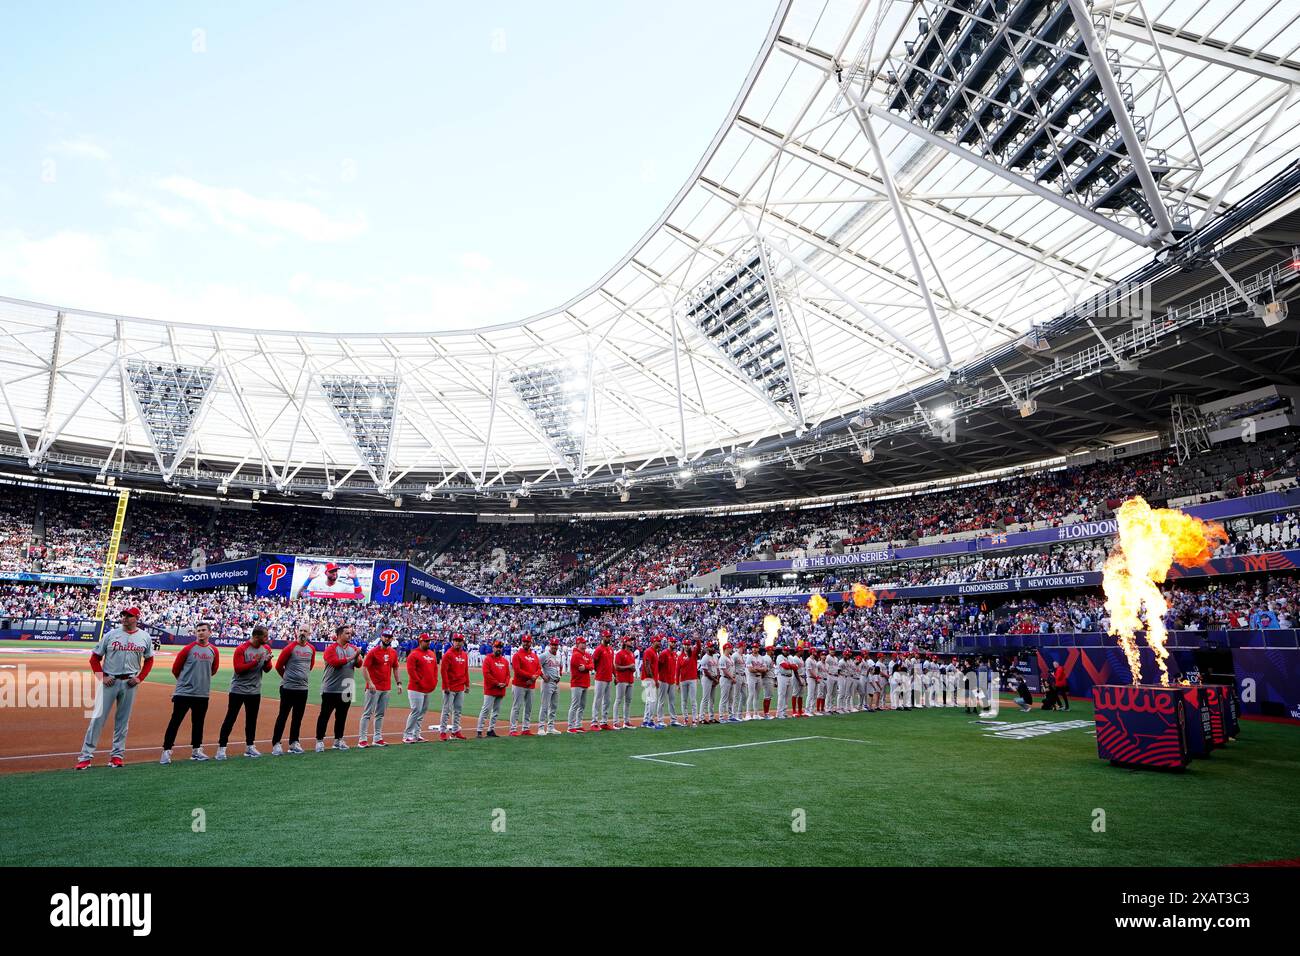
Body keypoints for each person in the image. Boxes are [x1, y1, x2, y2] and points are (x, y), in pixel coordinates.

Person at [77, 607, 156, 769]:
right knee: (97, 719)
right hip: (110, 681)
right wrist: (102, 677)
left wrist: (139, 678)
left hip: (129, 684)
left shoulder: (144, 637)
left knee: (122, 721)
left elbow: (149, 660)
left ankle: (117, 756)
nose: (125, 618)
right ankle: (85, 756)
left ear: (136, 618)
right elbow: (94, 659)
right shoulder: (111, 635)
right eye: (124, 615)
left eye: (129, 616)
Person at [161, 619, 219, 764]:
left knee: (198, 723)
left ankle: (196, 750)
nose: (200, 633)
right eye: (198, 630)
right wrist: (185, 683)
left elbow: (213, 670)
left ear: (209, 632)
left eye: (203, 630)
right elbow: (176, 669)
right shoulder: (188, 649)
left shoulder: (214, 650)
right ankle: (166, 751)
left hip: (202, 693)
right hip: (184, 693)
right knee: (175, 722)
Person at [217, 625, 273, 759]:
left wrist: (267, 662)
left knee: (251, 720)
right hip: (238, 690)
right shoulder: (242, 649)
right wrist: (256, 661)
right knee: (230, 718)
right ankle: (221, 748)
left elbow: (267, 669)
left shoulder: (266, 649)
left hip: (254, 690)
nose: (267, 638)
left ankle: (250, 746)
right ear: (256, 636)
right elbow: (238, 669)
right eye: (265, 636)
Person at [316, 624, 362, 751]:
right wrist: (354, 655)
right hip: (331, 687)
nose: (350, 635)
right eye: (347, 633)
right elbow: (336, 663)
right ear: (340, 634)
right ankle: (319, 740)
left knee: (342, 716)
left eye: (350, 633)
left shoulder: (353, 648)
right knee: (325, 715)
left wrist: (358, 656)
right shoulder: (331, 649)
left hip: (347, 686)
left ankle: (338, 739)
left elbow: (359, 665)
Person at [272, 625, 316, 755]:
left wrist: (302, 677)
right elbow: (279, 665)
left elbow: (310, 665)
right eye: (301, 630)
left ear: (309, 634)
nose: (302, 633)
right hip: (288, 688)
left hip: (303, 688)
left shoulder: (311, 649)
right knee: (283, 716)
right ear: (297, 632)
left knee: (298, 717)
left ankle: (294, 742)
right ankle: (276, 743)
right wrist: (287, 678)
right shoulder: (290, 648)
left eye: (305, 631)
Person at [359, 629, 402, 747]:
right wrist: (370, 683)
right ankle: (362, 739)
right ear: (381, 637)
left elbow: (396, 668)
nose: (387, 638)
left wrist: (398, 683)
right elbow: (364, 668)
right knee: (367, 713)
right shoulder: (373, 652)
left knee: (380, 714)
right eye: (385, 636)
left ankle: (377, 738)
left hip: (386, 687)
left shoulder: (393, 652)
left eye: (389, 637)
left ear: (392, 638)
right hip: (373, 688)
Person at [402, 632, 437, 743]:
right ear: (420, 641)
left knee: (422, 711)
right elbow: (411, 671)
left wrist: (434, 680)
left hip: (427, 688)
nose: (428, 643)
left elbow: (435, 669)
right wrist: (419, 682)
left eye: (429, 641)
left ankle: (416, 734)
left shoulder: (431, 653)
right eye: (426, 641)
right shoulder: (414, 654)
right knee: (416, 710)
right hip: (415, 688)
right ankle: (407, 735)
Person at [509, 634, 542, 736]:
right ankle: (513, 729)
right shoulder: (517, 655)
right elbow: (517, 670)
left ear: (531, 643)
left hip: (531, 685)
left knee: (528, 707)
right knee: (516, 707)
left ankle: (526, 728)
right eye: (524, 642)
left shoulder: (534, 655)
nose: (526, 643)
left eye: (528, 642)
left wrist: (533, 678)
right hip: (519, 684)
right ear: (522, 642)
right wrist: (530, 676)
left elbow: (539, 669)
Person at [439, 633, 470, 740]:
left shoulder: (464, 654)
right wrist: (446, 686)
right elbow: (444, 671)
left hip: (460, 686)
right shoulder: (448, 654)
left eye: (459, 640)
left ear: (462, 642)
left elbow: (466, 670)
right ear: (453, 641)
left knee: (458, 710)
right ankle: (443, 731)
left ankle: (456, 730)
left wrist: (467, 684)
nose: (457, 642)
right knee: (446, 710)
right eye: (455, 640)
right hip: (450, 687)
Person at [477, 639, 510, 738]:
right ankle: (479, 730)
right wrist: (496, 683)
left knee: (496, 711)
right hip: (490, 689)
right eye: (496, 647)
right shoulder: (488, 659)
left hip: (501, 689)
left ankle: (491, 729)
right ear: (493, 648)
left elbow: (508, 675)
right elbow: (486, 674)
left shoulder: (505, 661)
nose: (498, 649)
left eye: (500, 647)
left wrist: (505, 683)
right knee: (486, 709)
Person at [567, 635, 593, 734]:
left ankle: (578, 725)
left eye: (585, 643)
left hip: (585, 682)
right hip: (577, 683)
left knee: (582, 705)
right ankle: (570, 726)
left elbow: (591, 666)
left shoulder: (587, 654)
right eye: (582, 643)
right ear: (578, 644)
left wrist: (586, 667)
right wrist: (588, 666)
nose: (584, 644)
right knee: (575, 705)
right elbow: (579, 667)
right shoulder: (575, 655)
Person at [538, 637, 563, 736]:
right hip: (547, 683)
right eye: (553, 645)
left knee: (554, 706)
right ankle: (540, 727)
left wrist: (559, 676)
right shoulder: (544, 655)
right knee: (544, 706)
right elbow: (536, 665)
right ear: (550, 645)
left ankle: (550, 727)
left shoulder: (558, 656)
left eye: (556, 645)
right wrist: (542, 676)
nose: (554, 646)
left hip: (556, 683)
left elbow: (559, 667)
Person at [656, 636, 683, 727]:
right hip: (663, 680)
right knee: (661, 701)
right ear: (668, 642)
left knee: (672, 701)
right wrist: (659, 678)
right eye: (672, 642)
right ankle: (660, 720)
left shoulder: (675, 654)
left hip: (671, 680)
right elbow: (658, 667)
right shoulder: (664, 653)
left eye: (675, 642)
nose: (674, 644)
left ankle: (673, 720)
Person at [591, 632, 615, 731]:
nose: (608, 638)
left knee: (607, 701)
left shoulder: (610, 649)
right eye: (607, 636)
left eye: (609, 636)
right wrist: (598, 670)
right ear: (603, 637)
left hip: (609, 677)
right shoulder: (599, 649)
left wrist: (615, 675)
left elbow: (611, 664)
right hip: (600, 678)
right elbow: (594, 661)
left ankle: (604, 721)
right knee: (598, 700)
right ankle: (594, 722)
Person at [612, 635, 636, 729]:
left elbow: (631, 667)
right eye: (630, 641)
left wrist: (632, 668)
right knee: (618, 700)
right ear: (625, 642)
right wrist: (629, 667)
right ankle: (615, 722)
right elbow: (616, 667)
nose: (631, 642)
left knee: (628, 701)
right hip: (622, 679)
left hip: (630, 679)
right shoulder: (620, 653)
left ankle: (626, 721)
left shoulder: (631, 654)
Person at [677, 639, 699, 726]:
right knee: (684, 701)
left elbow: (699, 648)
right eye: (685, 645)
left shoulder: (693, 654)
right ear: (683, 645)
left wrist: (697, 640)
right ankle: (685, 719)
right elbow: (677, 670)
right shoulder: (680, 656)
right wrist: (677, 683)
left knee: (693, 700)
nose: (686, 646)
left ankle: (694, 720)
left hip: (692, 679)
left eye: (688, 644)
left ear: (690, 645)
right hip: (683, 680)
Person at [640, 635, 661, 729]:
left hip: (649, 679)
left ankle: (645, 720)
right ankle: (650, 721)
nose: (659, 643)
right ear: (653, 642)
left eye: (660, 641)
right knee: (652, 700)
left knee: (649, 701)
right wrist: (654, 680)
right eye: (658, 641)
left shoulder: (655, 652)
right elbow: (647, 666)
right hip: (649, 679)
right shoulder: (649, 651)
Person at [698, 641, 719, 724]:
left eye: (713, 646)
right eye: (710, 647)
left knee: (712, 699)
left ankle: (711, 717)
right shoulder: (705, 657)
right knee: (705, 698)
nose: (712, 648)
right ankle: (701, 718)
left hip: (714, 678)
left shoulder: (715, 656)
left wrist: (717, 678)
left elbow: (717, 668)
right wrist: (714, 680)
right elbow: (705, 671)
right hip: (707, 679)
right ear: (707, 649)